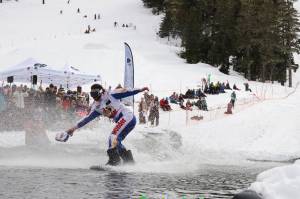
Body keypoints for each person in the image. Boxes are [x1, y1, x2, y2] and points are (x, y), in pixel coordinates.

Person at [55, 84, 149, 166]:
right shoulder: (96, 107)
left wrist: (140, 89)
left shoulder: (110, 94)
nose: (96, 99)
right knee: (115, 141)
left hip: (127, 117)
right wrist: (73, 128)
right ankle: (129, 162)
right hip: (125, 121)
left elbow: (126, 91)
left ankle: (114, 162)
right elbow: (86, 119)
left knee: (113, 137)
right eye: (93, 96)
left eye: (97, 95)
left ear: (101, 92)